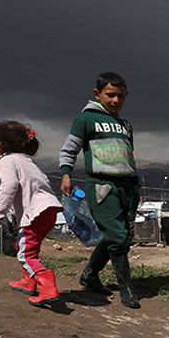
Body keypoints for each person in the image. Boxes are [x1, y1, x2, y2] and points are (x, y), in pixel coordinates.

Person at [59, 72, 141, 308]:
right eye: (111, 95)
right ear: (98, 94)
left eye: (121, 96)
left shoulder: (125, 125)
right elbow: (69, 148)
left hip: (126, 186)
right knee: (116, 236)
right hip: (101, 185)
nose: (116, 100)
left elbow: (129, 156)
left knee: (121, 234)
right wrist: (66, 173)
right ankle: (127, 288)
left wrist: (135, 184)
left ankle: (90, 275)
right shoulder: (86, 119)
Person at [0, 121, 64, 307]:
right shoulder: (27, 160)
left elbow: (9, 187)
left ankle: (47, 287)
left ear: (0, 144)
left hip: (35, 213)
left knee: (26, 254)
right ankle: (28, 281)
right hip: (50, 210)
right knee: (26, 245)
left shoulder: (6, 160)